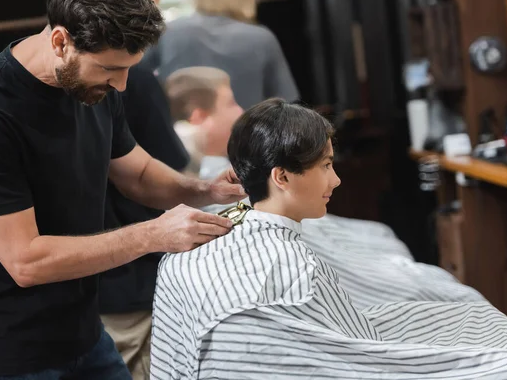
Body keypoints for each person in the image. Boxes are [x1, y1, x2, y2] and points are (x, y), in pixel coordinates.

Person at [0, 0, 245, 378]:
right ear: (60, 42)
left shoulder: (97, 86)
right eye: (110, 69)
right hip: (8, 351)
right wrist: (153, 235)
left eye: (128, 69)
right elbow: (26, 261)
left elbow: (136, 173)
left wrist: (204, 191)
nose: (121, 85)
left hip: (83, 332)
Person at [151, 99, 507, 379]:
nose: (336, 180)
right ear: (282, 177)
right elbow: (360, 355)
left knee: (470, 315)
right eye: (325, 166)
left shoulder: (202, 242)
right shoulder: (291, 265)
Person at [164, 66, 485, 310]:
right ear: (282, 177)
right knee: (455, 298)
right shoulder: (273, 257)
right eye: (326, 166)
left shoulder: (233, 205)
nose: (238, 110)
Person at [98, 0, 190, 379]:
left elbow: (138, 171)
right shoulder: (131, 80)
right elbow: (161, 172)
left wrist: (206, 189)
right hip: (126, 285)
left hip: (90, 288)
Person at [142, 0, 299, 110]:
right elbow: (286, 101)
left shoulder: (169, 31)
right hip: (246, 137)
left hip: (182, 135)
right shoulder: (262, 38)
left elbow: (134, 75)